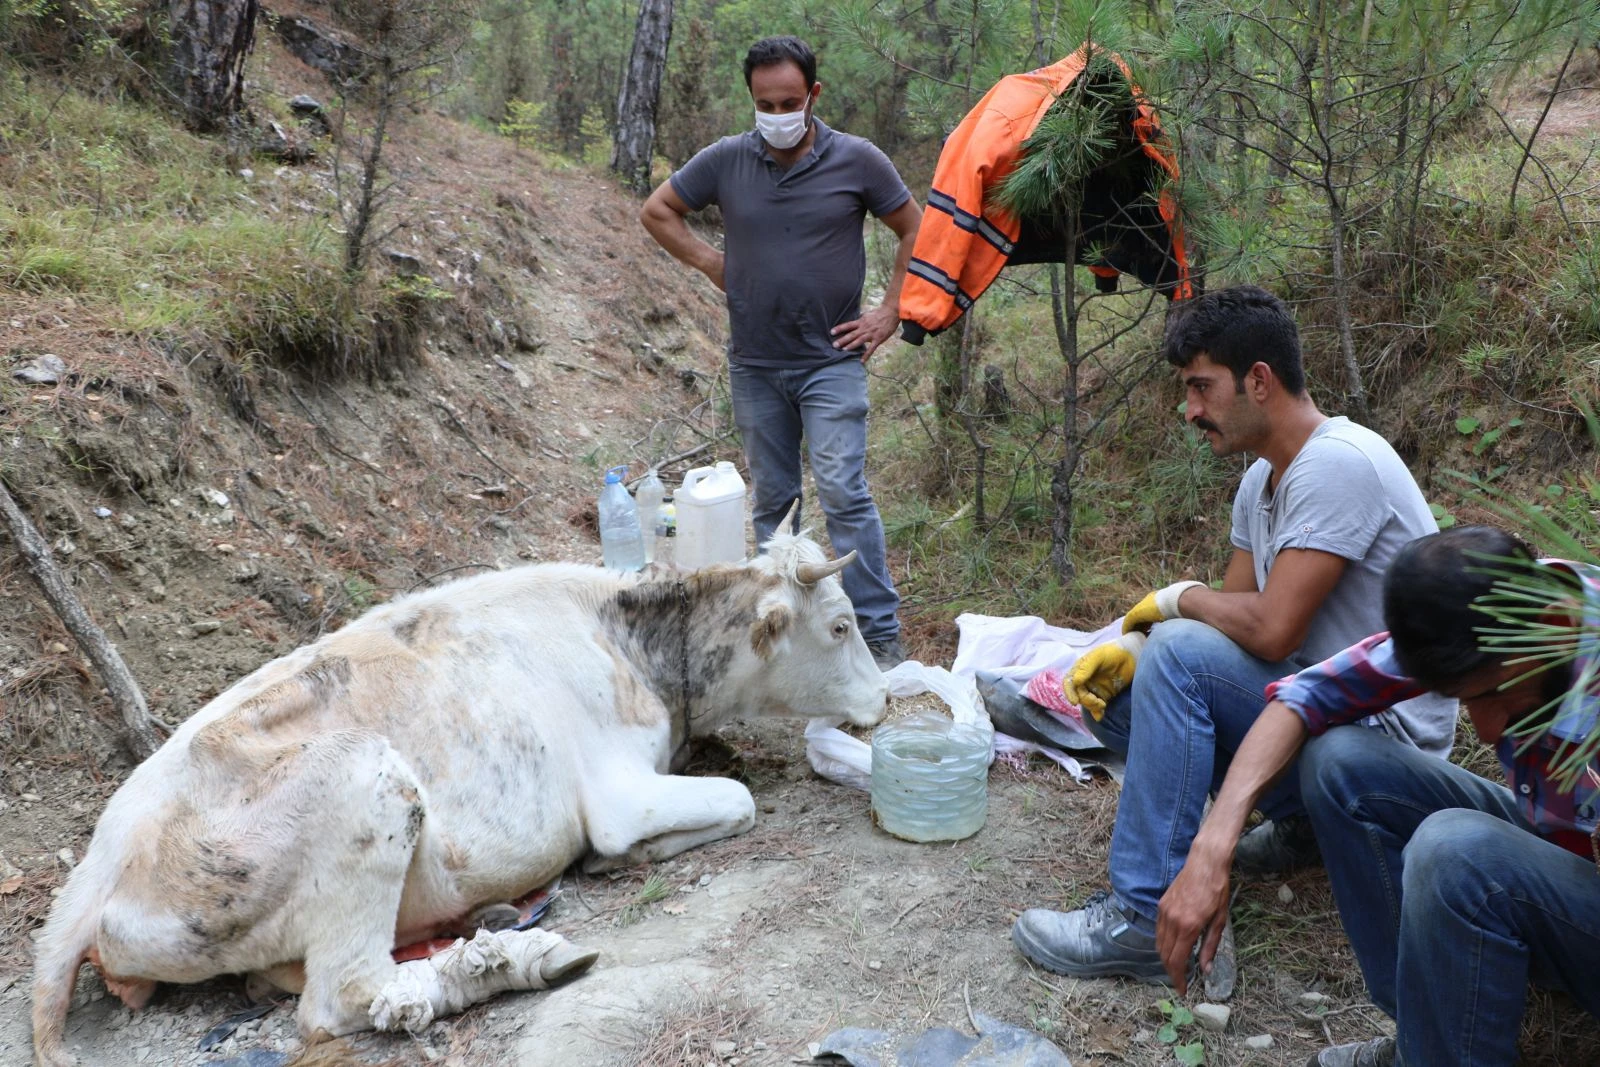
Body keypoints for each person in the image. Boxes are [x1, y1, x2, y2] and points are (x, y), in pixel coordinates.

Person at [1010, 284, 1457, 981]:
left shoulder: (1339, 461)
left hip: (1382, 751)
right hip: (1313, 717)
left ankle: (1142, 915)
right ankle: (1303, 829)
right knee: (1126, 695)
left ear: (1260, 380)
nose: (1190, 410)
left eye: (1201, 387)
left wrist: (1174, 600)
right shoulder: (1261, 482)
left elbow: (1270, 631)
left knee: (1178, 656)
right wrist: (1137, 645)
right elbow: (1236, 616)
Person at [1156, 525, 1600, 1066]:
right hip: (1563, 845)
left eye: (1492, 695)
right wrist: (1212, 846)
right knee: (1341, 763)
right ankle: (1423, 1037)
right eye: (1464, 701)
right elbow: (1304, 697)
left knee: (1455, 852)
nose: (1486, 730)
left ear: (1555, 626)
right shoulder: (1503, 610)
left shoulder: (1545, 628)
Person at [639, 35, 921, 670]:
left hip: (831, 359)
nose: (778, 114)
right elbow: (658, 211)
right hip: (756, 363)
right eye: (765, 104)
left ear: (813, 95)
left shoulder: (857, 160)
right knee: (773, 499)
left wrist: (891, 310)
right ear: (751, 98)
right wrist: (714, 264)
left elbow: (914, 226)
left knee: (843, 491)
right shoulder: (726, 160)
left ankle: (878, 632)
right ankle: (784, 625)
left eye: (790, 102)